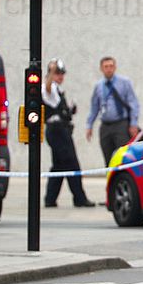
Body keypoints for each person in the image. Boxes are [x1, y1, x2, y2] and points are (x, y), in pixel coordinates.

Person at [42, 59, 96, 208]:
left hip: (61, 130)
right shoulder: (49, 87)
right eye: (57, 73)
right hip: (57, 132)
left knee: (59, 166)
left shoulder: (58, 90)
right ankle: (79, 198)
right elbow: (46, 89)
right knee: (72, 165)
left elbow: (61, 110)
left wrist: (70, 110)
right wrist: (51, 72)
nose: (60, 76)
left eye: (61, 73)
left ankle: (50, 199)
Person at [86, 56, 140, 166]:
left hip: (121, 124)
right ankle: (110, 180)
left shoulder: (124, 82)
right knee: (108, 158)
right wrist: (89, 125)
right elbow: (94, 107)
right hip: (105, 126)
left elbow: (133, 103)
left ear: (115, 67)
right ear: (101, 69)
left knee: (122, 157)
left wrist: (133, 124)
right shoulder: (99, 86)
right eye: (106, 67)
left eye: (111, 66)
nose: (109, 69)